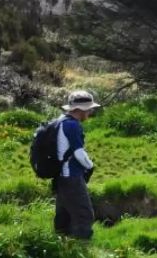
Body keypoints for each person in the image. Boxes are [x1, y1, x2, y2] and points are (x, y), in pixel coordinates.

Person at [54, 90, 99, 240]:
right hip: (71, 177)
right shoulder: (73, 126)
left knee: (64, 216)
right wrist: (90, 165)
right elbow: (79, 153)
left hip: (60, 176)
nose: (91, 111)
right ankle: (82, 250)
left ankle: (61, 247)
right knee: (84, 216)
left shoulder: (61, 120)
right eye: (89, 108)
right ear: (79, 110)